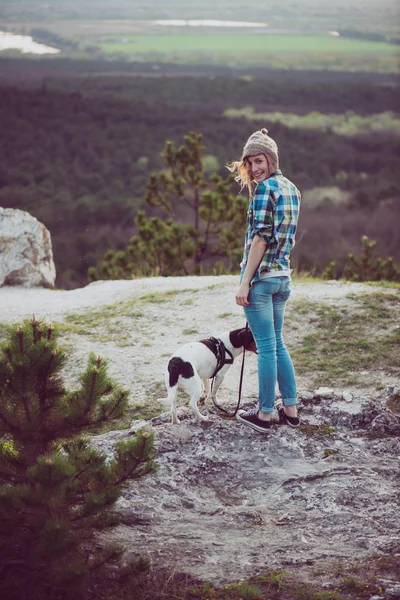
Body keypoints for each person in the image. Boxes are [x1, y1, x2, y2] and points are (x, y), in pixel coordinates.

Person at [228, 128, 301, 433]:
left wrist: (245, 282)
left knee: (267, 347)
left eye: (260, 160)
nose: (255, 168)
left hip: (262, 279)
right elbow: (287, 237)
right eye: (250, 163)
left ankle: (265, 414)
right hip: (283, 277)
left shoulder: (264, 190)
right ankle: (292, 409)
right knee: (278, 343)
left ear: (271, 159)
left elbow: (261, 238)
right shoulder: (292, 188)